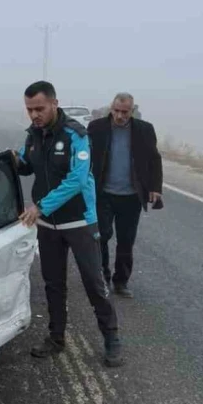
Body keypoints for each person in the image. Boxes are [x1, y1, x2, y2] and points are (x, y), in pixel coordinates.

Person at [12, 80, 122, 368]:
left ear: (54, 104)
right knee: (53, 283)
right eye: (29, 109)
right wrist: (11, 161)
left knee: (94, 282)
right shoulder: (33, 136)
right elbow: (26, 164)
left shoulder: (76, 135)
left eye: (39, 108)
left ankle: (111, 338)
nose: (34, 115)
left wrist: (40, 206)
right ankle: (56, 337)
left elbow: (77, 179)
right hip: (48, 226)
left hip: (79, 221)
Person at [87, 92, 163, 299]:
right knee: (101, 236)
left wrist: (155, 187)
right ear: (111, 108)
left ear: (132, 110)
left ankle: (121, 282)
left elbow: (154, 159)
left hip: (131, 196)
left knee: (126, 241)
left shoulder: (145, 130)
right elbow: (85, 157)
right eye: (116, 111)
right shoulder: (96, 128)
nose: (120, 116)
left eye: (125, 112)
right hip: (103, 193)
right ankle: (103, 277)